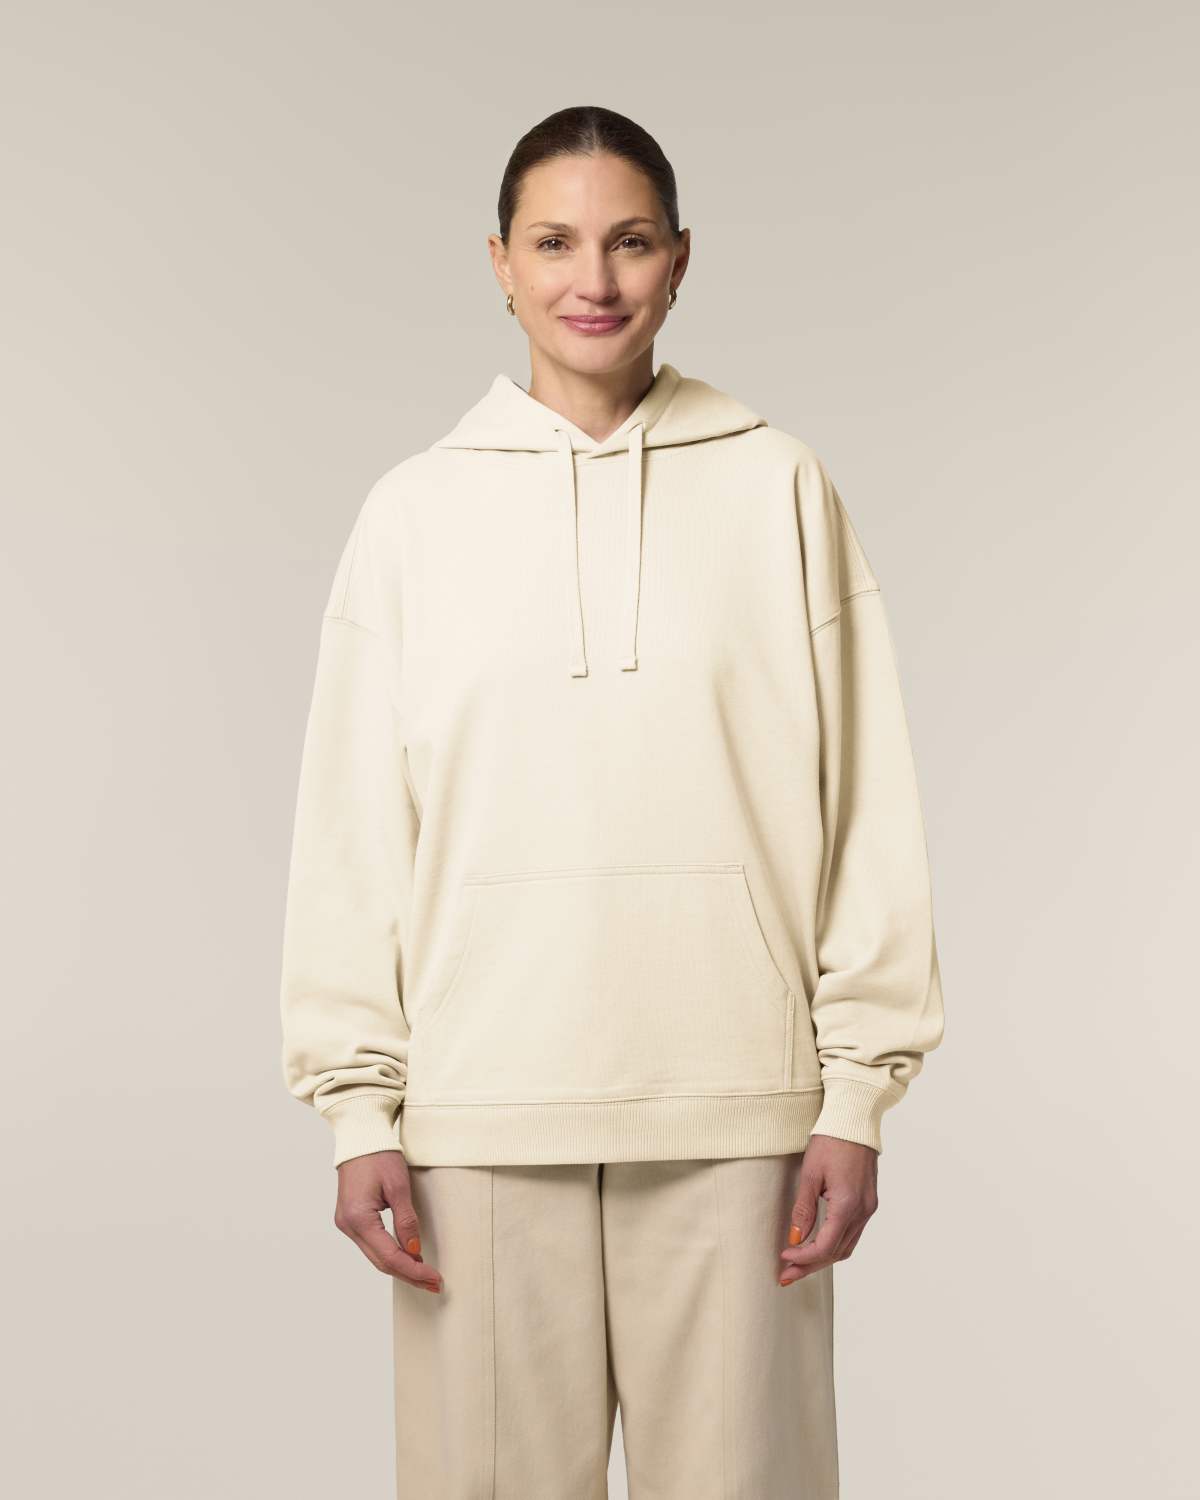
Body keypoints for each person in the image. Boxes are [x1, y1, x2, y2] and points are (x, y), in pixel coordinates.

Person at [279, 104, 945, 1500]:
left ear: (681, 259)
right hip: (478, 1121)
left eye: (630, 241)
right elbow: (353, 832)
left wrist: (856, 1096)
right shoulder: (413, 515)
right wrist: (360, 1112)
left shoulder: (780, 487)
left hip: (740, 1117)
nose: (594, 278)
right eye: (555, 243)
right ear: (499, 263)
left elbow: (866, 806)